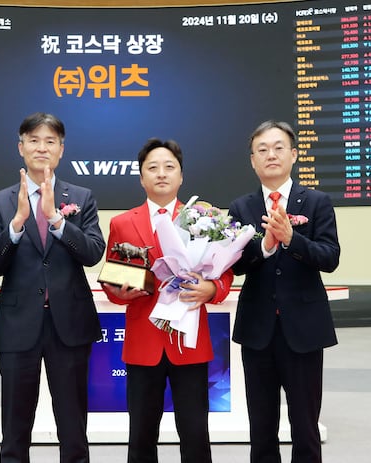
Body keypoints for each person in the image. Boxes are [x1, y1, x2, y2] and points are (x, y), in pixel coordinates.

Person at [0, 112, 106, 463]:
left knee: (73, 425)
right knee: (15, 427)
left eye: (50, 141)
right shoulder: (0, 202)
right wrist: (16, 225)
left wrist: (56, 219)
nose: (41, 148)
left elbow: (93, 253)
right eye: (33, 140)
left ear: (61, 150)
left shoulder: (81, 196)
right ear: (20, 148)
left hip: (70, 324)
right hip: (18, 326)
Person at [101, 138, 233, 463]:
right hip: (143, 344)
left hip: (189, 343)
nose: (161, 173)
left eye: (169, 167)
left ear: (181, 176)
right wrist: (119, 293)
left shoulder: (205, 219)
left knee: (195, 435)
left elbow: (225, 275)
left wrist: (211, 289)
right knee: (141, 437)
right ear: (141, 178)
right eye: (153, 168)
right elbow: (112, 277)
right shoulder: (121, 223)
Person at [228, 120, 341, 463]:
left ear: (293, 155)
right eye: (262, 150)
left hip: (304, 329)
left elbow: (330, 257)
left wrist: (292, 239)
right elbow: (234, 266)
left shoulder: (317, 202)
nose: (271, 155)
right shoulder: (241, 207)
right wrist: (265, 247)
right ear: (252, 161)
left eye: (278, 148)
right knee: (261, 427)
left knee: (305, 425)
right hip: (257, 330)